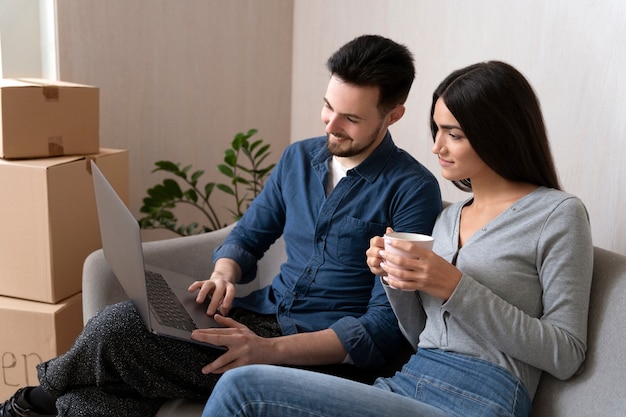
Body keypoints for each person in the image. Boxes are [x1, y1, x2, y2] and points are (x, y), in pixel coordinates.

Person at [0, 35, 442, 417]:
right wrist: (223, 273)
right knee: (114, 361)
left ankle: (32, 402)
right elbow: (248, 236)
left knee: (117, 330)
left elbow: (382, 328)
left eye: (352, 118)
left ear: (393, 115)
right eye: (328, 106)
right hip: (261, 315)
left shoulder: (412, 189)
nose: (331, 124)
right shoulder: (298, 159)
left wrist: (266, 352)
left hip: (320, 356)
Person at [200, 61, 594, 417]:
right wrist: (392, 279)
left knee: (243, 388)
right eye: (436, 129)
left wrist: (454, 285)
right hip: (406, 382)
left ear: (499, 135)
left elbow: (566, 354)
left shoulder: (557, 214)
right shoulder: (449, 217)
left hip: (479, 397)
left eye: (453, 134)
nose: (437, 146)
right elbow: (421, 333)